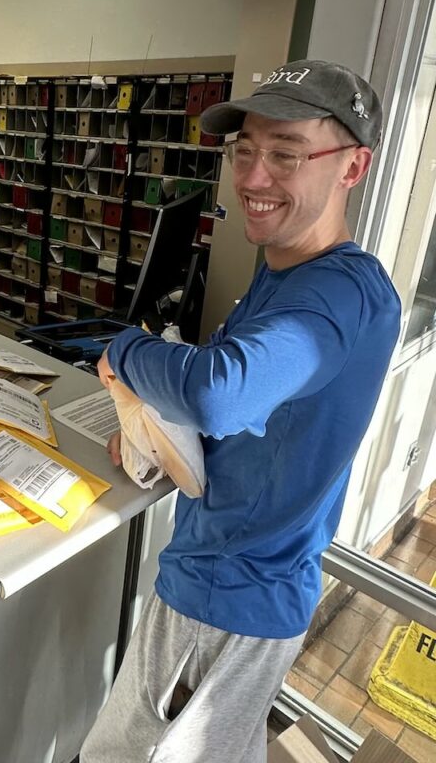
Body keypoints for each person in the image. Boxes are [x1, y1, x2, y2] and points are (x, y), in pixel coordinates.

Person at [80, 60, 401, 763]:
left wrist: (127, 349)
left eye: (286, 154)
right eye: (245, 151)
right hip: (251, 580)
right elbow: (264, 423)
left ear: (353, 167)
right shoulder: (294, 272)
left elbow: (218, 392)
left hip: (225, 594)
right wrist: (155, 437)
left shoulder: (330, 300)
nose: (253, 178)